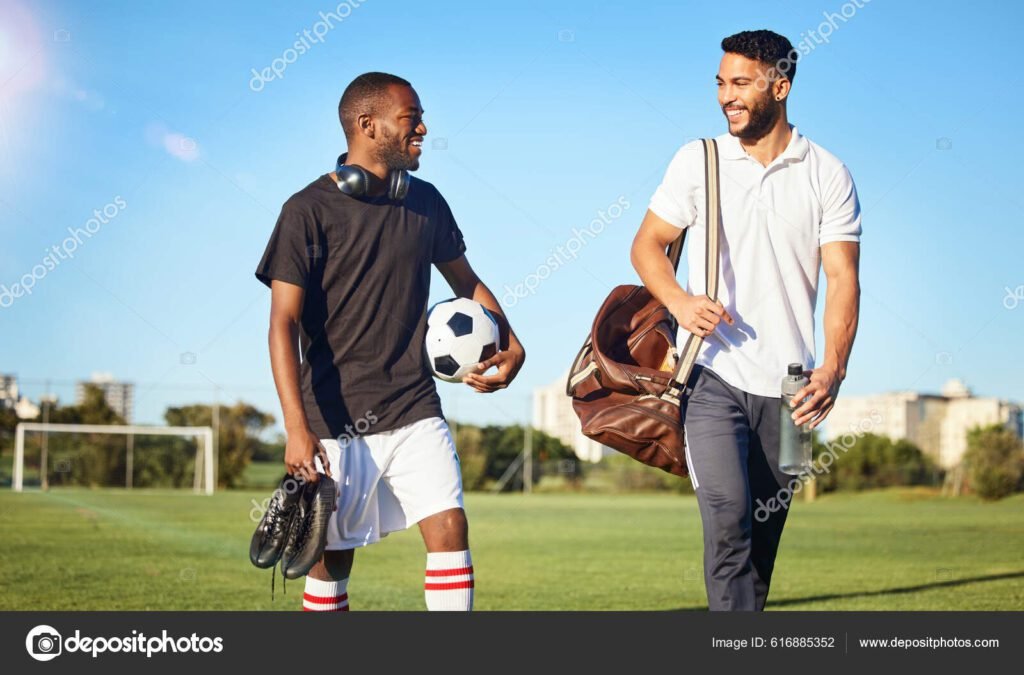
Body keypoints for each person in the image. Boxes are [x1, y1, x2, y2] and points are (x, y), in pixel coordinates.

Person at [255, 72, 525, 612]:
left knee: (450, 528)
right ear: (366, 124)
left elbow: (466, 283)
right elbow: (282, 323)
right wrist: (296, 428)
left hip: (414, 405)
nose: (422, 128)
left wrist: (512, 342)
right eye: (411, 118)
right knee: (332, 559)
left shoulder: (425, 203)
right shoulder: (305, 211)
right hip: (334, 417)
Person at [631, 30, 861, 610]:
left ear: (779, 86)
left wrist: (832, 368)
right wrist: (681, 303)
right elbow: (647, 246)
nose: (725, 96)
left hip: (794, 389)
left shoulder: (827, 173)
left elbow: (843, 279)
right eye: (720, 83)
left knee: (762, 542)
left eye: (740, 83)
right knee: (729, 518)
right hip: (711, 376)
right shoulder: (698, 159)